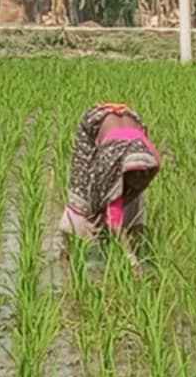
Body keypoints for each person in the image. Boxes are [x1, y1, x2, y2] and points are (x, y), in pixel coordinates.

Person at [60, 103, 160, 269]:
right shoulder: (110, 167)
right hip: (95, 122)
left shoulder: (148, 157)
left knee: (133, 200)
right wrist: (131, 258)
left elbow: (155, 165)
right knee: (84, 190)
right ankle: (72, 238)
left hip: (130, 118)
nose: (138, 181)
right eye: (134, 178)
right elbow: (115, 222)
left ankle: (130, 233)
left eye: (141, 175)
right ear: (123, 172)